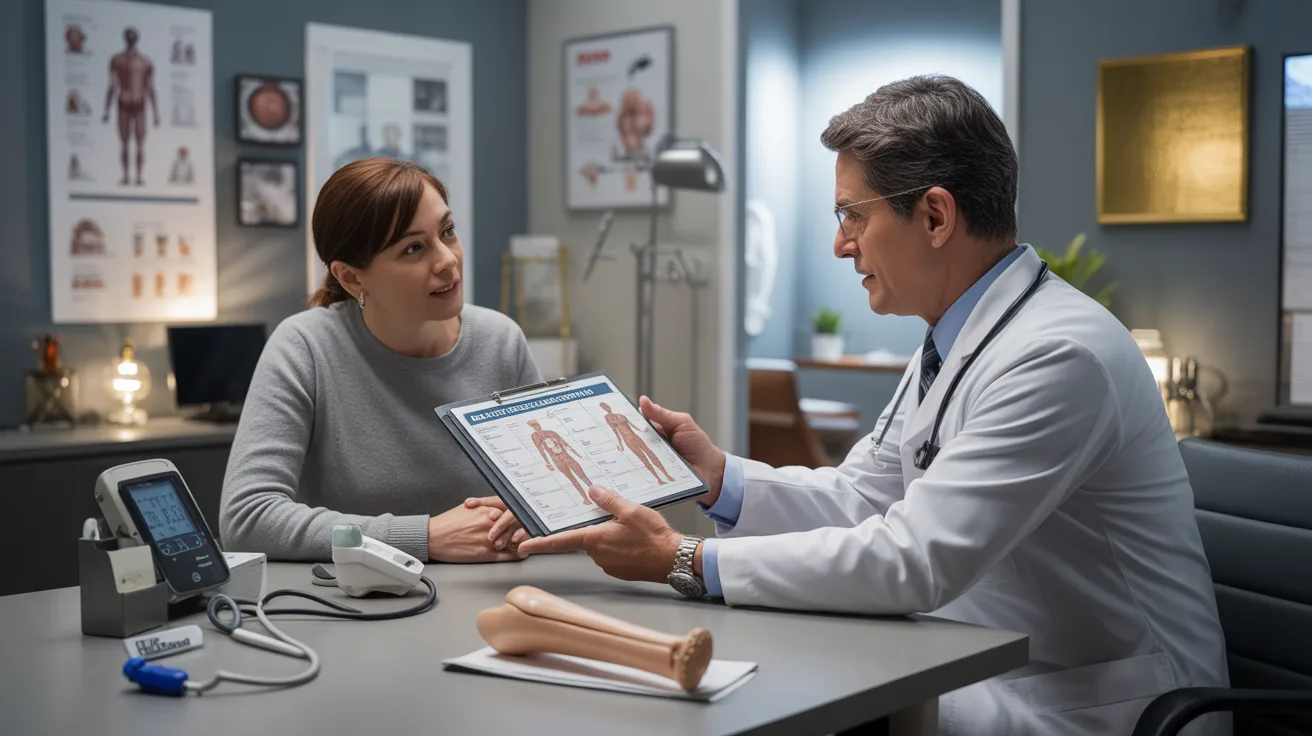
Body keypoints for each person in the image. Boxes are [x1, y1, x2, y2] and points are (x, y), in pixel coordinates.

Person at [509, 76, 1229, 735]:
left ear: (936, 216)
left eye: (852, 216)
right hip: (990, 660)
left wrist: (687, 561)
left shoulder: (1058, 356)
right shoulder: (956, 336)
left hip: (1101, 706)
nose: (839, 243)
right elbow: (864, 495)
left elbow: (914, 558)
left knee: (785, 699)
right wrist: (719, 477)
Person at [220, 157, 541, 563]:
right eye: (413, 248)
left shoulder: (501, 340)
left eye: (448, 231)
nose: (447, 260)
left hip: (495, 596)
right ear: (352, 278)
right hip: (354, 608)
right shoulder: (304, 347)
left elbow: (546, 489)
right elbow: (247, 518)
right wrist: (422, 537)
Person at [102, 27, 159, 186]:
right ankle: (126, 176)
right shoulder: (117, 60)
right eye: (129, 37)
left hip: (140, 103)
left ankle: (139, 177)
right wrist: (106, 109)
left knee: (140, 143)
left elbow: (150, 88)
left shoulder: (146, 62)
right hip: (124, 103)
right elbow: (112, 85)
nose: (131, 39)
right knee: (125, 142)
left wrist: (156, 113)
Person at [601, 402, 674, 485]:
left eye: (606, 405)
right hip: (627, 439)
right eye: (603, 407)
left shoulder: (620, 415)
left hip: (635, 436)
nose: (606, 407)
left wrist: (642, 430)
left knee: (650, 453)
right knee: (643, 458)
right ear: (603, 409)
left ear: (609, 406)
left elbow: (632, 425)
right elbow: (616, 432)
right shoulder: (607, 418)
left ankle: (667, 475)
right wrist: (621, 445)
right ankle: (659, 479)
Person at [527, 419, 593, 505]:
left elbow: (565, 443)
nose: (537, 426)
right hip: (557, 460)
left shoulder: (551, 432)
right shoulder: (535, 435)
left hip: (567, 457)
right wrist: (548, 463)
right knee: (572, 479)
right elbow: (541, 450)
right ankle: (586, 499)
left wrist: (576, 454)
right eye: (534, 426)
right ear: (532, 427)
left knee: (583, 476)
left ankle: (596, 494)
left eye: (537, 424)